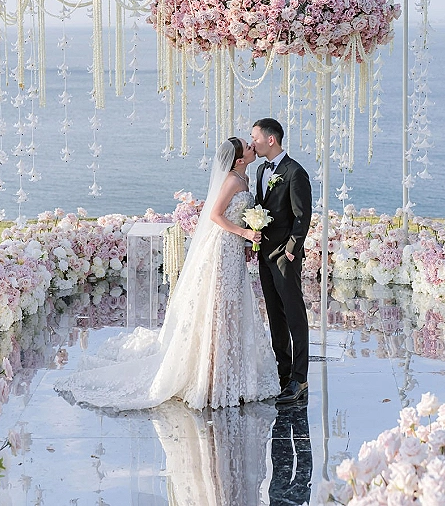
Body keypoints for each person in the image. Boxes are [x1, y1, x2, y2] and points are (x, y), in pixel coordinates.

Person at [54, 138, 279, 411]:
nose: (253, 145)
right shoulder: (232, 181)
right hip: (221, 250)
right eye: (248, 145)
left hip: (233, 250)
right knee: (218, 308)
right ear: (239, 159)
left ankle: (232, 371)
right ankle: (212, 376)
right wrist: (244, 232)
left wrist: (245, 241)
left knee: (232, 307)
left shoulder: (245, 178)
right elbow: (216, 215)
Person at [251, 118, 312, 406]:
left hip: (284, 257)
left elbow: (302, 216)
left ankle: (300, 378)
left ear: (270, 139)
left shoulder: (295, 172)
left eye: (255, 137)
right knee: (275, 316)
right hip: (264, 254)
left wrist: (290, 250)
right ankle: (283, 373)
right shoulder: (262, 169)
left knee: (295, 316)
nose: (252, 142)